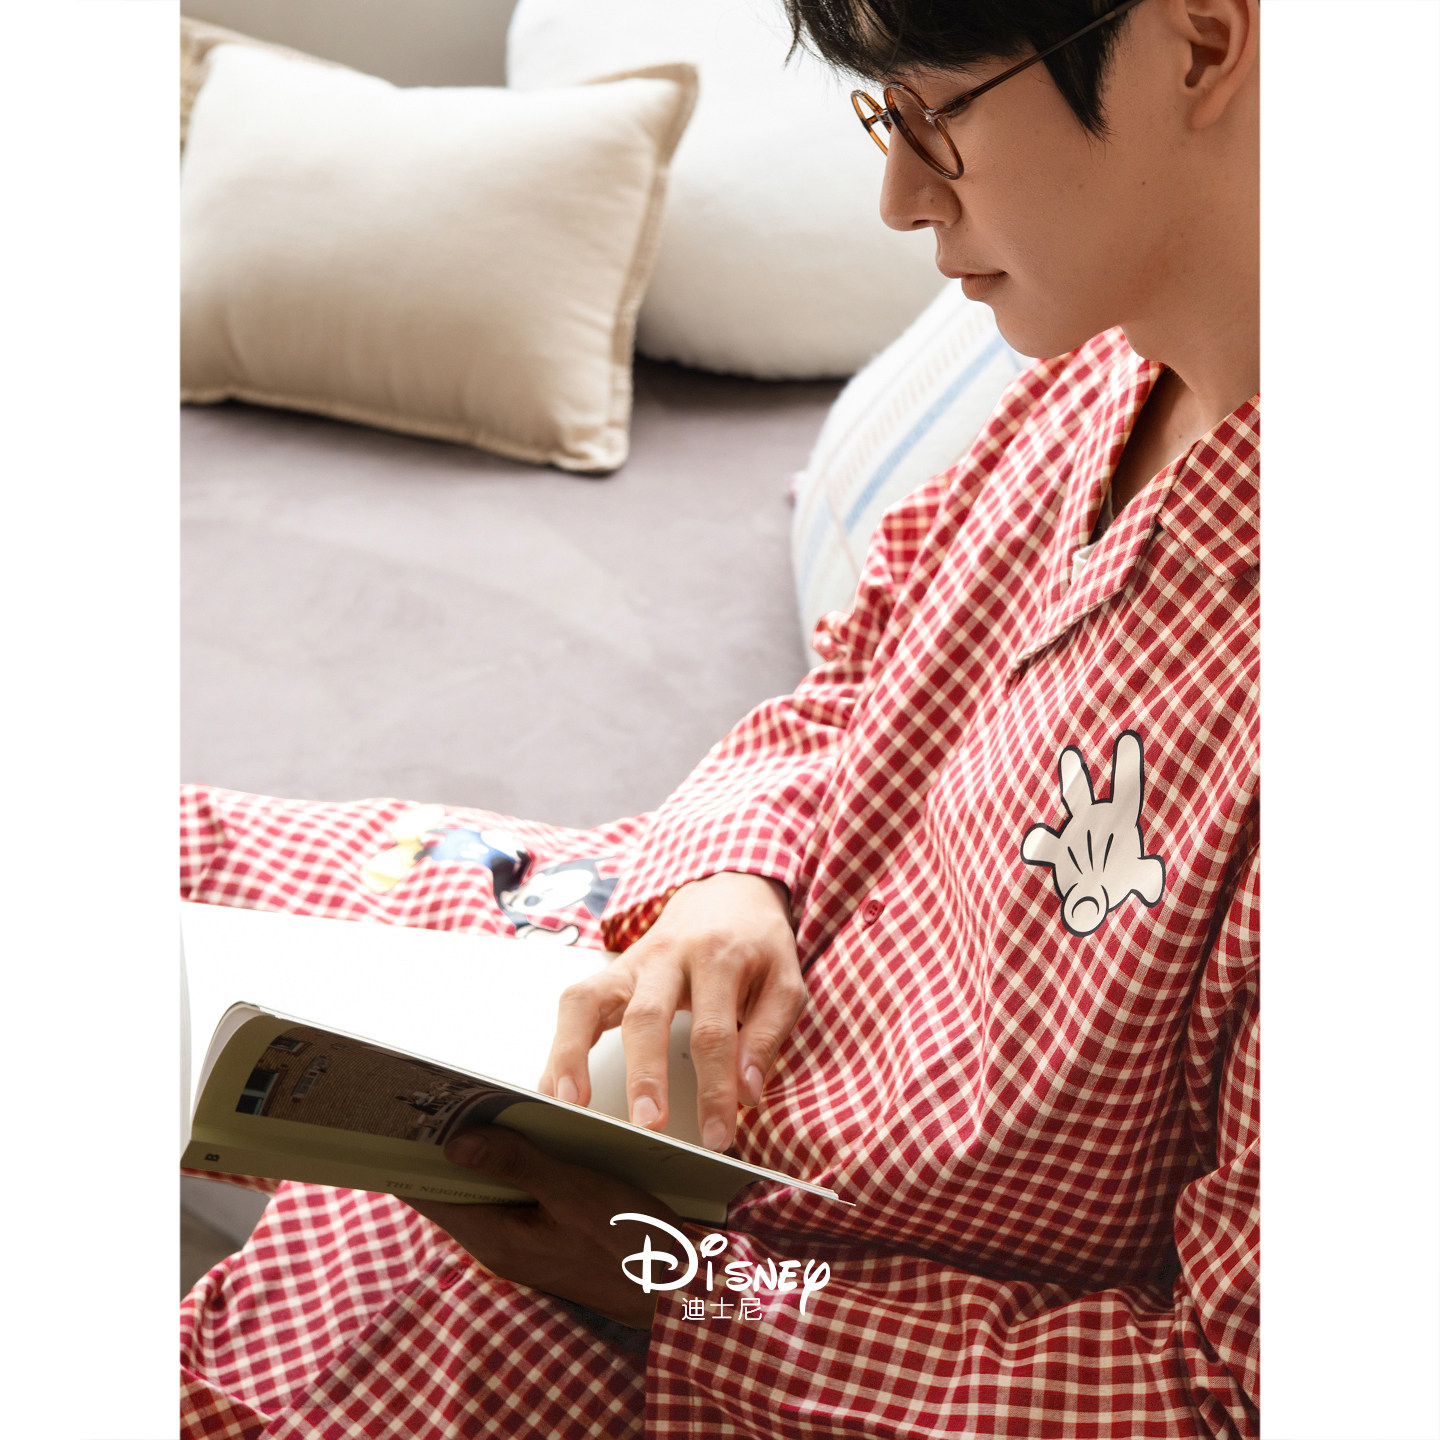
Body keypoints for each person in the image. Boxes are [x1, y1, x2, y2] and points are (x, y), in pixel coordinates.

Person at [180, 0, 1259, 1434]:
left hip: (769, 1287)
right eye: (884, 118)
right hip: (655, 963)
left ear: (1201, 44)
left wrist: (684, 1285)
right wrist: (729, 875)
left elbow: (1224, 1392)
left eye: (937, 115)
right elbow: (855, 677)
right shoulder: (1091, 370)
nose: (899, 197)